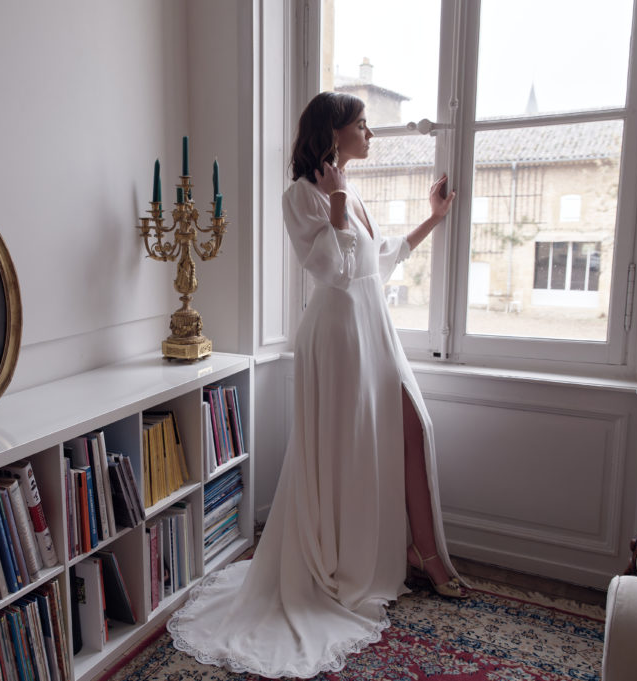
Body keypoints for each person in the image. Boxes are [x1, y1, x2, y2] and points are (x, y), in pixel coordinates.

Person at [167, 91, 466, 678]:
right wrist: (332, 206)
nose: (371, 135)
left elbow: (378, 259)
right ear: (334, 132)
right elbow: (333, 270)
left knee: (411, 427)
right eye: (363, 125)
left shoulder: (346, 191)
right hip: (337, 337)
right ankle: (389, 558)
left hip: (371, 328)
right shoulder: (302, 195)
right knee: (349, 448)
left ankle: (418, 550)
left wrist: (435, 217)